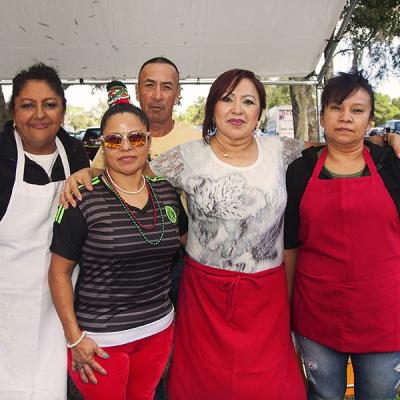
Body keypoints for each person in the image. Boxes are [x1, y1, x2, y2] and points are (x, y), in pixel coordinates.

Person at [49, 81, 187, 400]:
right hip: (99, 342)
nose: (126, 146)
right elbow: (58, 273)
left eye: (135, 137)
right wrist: (74, 337)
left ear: (148, 141)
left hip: (158, 331)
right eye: (114, 139)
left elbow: (185, 239)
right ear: (104, 145)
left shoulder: (165, 191)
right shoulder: (82, 197)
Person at [284, 70, 400, 399]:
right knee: (323, 395)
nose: (345, 117)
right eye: (336, 108)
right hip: (317, 313)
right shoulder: (300, 171)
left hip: (383, 314)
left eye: (357, 110)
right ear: (322, 115)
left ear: (370, 119)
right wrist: (286, 310)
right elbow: (290, 246)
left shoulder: (392, 166)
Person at [0, 63, 90, 400]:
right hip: (7, 302)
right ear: (13, 112)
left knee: (50, 386)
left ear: (63, 111)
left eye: (50, 104)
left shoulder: (75, 154)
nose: (39, 114)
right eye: (27, 105)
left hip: (61, 302)